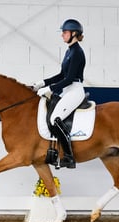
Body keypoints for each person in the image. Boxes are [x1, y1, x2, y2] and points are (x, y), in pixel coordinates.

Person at [33, 19, 86, 169]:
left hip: (75, 90)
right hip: (68, 89)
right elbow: (62, 74)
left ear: (74, 34)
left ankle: (69, 157)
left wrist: (51, 89)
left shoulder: (77, 52)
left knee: (55, 119)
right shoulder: (69, 51)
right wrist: (43, 83)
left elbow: (69, 79)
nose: (62, 35)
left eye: (65, 32)